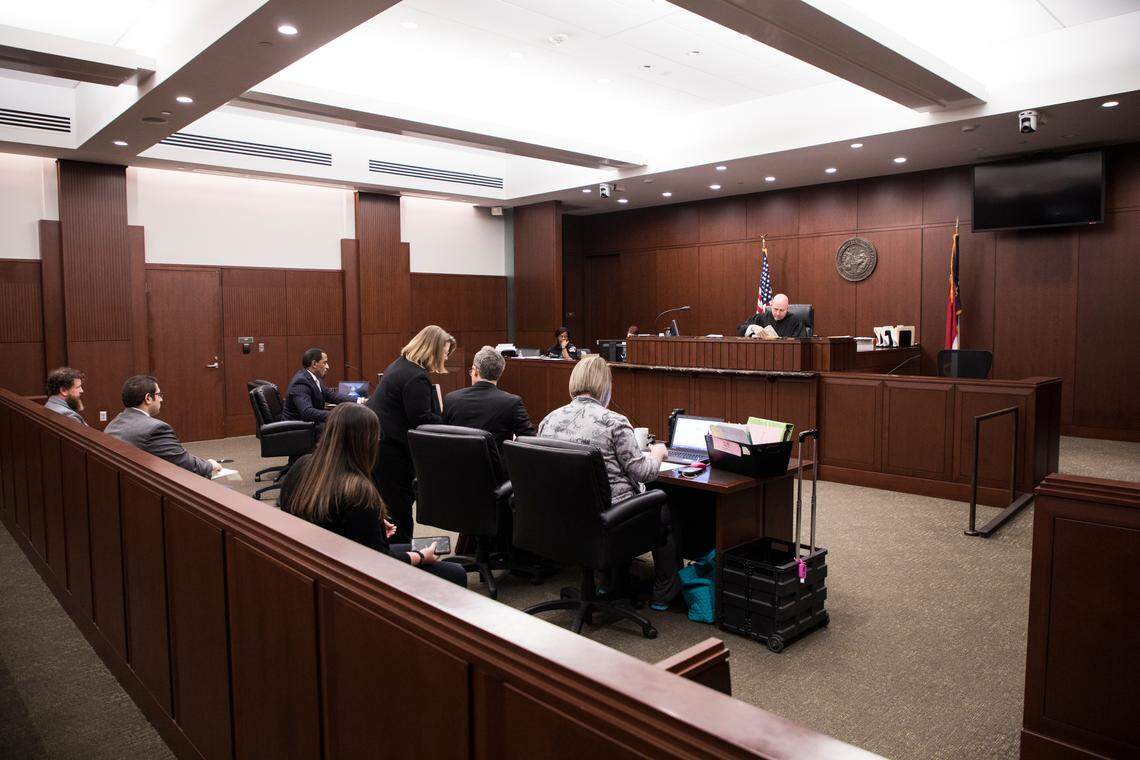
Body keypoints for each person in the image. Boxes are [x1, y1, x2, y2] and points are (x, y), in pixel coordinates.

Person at [537, 355, 681, 610]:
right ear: (605, 385)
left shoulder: (548, 420)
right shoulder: (614, 422)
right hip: (608, 518)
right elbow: (642, 472)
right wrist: (658, 452)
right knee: (663, 507)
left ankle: (608, 581)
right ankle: (663, 594)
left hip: (561, 517)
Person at [278, 403, 466, 586]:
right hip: (351, 577)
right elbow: (379, 563)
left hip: (316, 563)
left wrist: (371, 525)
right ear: (365, 442)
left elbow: (327, 521)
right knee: (455, 573)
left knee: (412, 546)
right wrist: (421, 557)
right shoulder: (358, 491)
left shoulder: (302, 465)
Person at [367, 325, 455, 544]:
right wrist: (448, 420)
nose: (445, 358)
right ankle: (402, 559)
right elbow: (421, 421)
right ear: (432, 350)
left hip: (379, 445)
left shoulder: (399, 365)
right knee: (399, 510)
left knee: (387, 505)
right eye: (444, 353)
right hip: (392, 451)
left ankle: (391, 552)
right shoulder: (416, 377)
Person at [105, 375, 220, 478]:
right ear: (148, 398)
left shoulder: (115, 422)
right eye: (159, 395)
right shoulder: (155, 429)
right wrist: (209, 465)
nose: (161, 399)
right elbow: (183, 462)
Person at [442, 346, 534, 472]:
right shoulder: (512, 402)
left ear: (475, 371)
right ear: (500, 373)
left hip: (456, 474)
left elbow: (442, 438)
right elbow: (530, 441)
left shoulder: (451, 399)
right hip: (495, 479)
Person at [283, 348, 356, 432]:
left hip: (310, 425)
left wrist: (360, 401)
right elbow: (307, 412)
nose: (327, 367)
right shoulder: (301, 382)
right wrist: (337, 415)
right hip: (297, 430)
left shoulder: (315, 379)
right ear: (314, 364)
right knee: (342, 428)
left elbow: (333, 396)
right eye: (324, 363)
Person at [736, 293, 805, 339]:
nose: (778, 313)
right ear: (771, 305)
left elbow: (801, 342)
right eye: (775, 309)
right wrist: (753, 327)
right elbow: (741, 329)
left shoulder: (796, 322)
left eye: (782, 310)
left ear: (787, 308)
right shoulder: (761, 318)